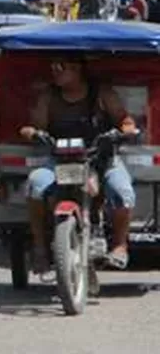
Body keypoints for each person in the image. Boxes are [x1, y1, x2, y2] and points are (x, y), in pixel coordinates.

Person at [19, 57, 138, 271]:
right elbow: (32, 127)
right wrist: (35, 134)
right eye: (53, 67)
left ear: (77, 70)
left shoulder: (102, 94)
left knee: (123, 192)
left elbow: (126, 121)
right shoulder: (49, 97)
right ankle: (40, 248)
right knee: (35, 185)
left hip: (102, 159)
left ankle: (120, 246)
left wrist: (123, 132)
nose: (55, 72)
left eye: (60, 67)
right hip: (59, 161)